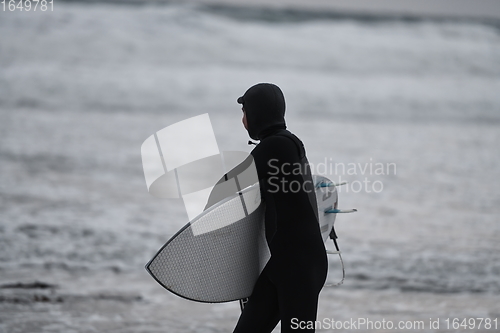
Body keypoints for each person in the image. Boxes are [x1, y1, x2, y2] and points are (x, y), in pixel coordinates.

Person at [233, 83, 327, 333]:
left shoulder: (276, 146)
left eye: (245, 112)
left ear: (256, 114)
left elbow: (228, 185)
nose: (243, 120)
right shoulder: (286, 145)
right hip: (281, 265)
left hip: (299, 268)